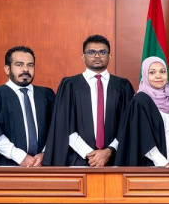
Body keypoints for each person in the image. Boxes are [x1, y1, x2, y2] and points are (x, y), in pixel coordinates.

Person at [43, 35, 134, 166]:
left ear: (110, 56)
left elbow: (128, 124)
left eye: (103, 52)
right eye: (91, 52)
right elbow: (63, 124)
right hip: (78, 159)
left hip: (114, 159)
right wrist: (90, 153)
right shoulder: (69, 85)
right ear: (83, 56)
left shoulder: (123, 86)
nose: (97, 56)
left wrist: (109, 151)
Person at [0, 46, 55, 166]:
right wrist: (19, 156)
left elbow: (56, 128)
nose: (26, 69)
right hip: (6, 166)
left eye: (30, 65)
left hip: (42, 166)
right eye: (19, 65)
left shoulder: (46, 95)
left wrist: (46, 153)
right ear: (7, 69)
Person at [115, 56, 169, 167]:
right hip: (147, 166)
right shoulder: (139, 102)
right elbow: (143, 138)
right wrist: (164, 164)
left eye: (162, 71)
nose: (158, 76)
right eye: (152, 72)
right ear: (145, 75)